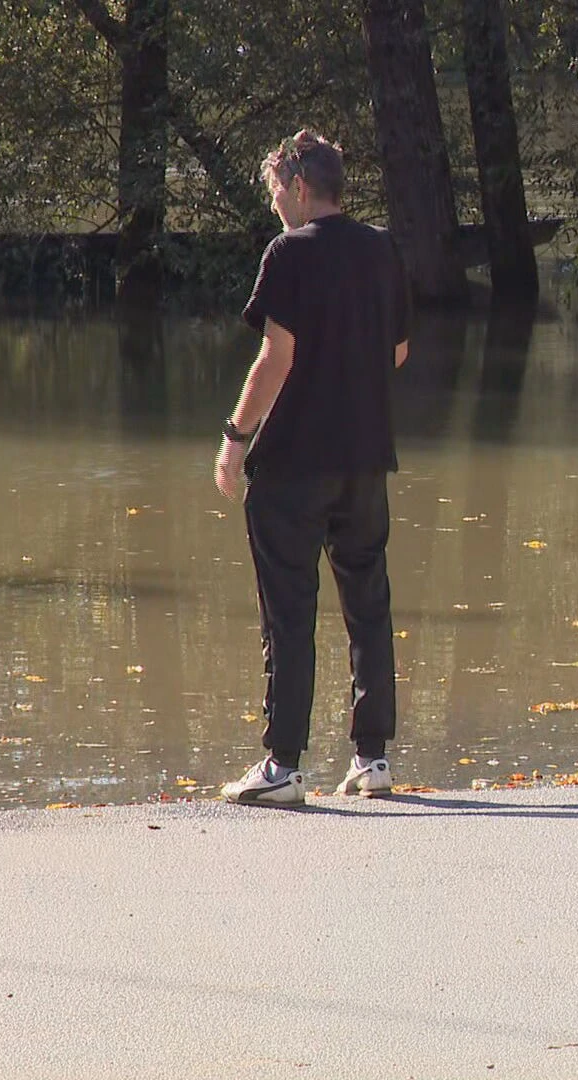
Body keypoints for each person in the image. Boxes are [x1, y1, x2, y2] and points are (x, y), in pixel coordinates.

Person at [215, 130, 410, 805]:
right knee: (368, 606)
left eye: (275, 194)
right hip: (365, 460)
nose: (275, 208)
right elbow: (399, 352)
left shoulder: (288, 253)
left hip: (294, 463)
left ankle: (283, 766)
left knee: (290, 612)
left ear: (300, 189)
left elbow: (275, 359)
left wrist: (235, 436)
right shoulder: (382, 250)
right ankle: (372, 759)